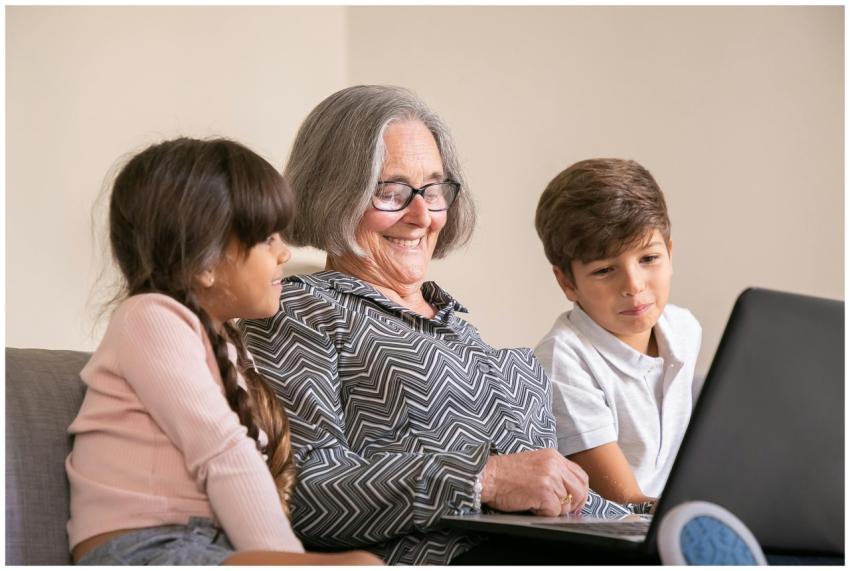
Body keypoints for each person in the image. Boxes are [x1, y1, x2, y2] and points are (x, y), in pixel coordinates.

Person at [239, 86, 633, 565]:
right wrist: (483, 479)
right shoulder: (297, 311)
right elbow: (300, 493)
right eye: (390, 192)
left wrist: (645, 519)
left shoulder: (461, 332)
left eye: (432, 190)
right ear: (333, 194)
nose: (422, 216)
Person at [65, 137, 381, 565]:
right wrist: (286, 560)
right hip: (140, 551)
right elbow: (223, 452)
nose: (284, 253)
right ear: (205, 263)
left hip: (198, 545)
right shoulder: (149, 318)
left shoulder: (222, 343)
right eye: (268, 238)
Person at [533, 158, 702, 507]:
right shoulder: (564, 360)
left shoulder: (684, 328)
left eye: (648, 259)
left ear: (669, 254)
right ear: (567, 283)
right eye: (604, 270)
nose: (633, 285)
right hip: (618, 526)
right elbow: (625, 502)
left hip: (669, 511)